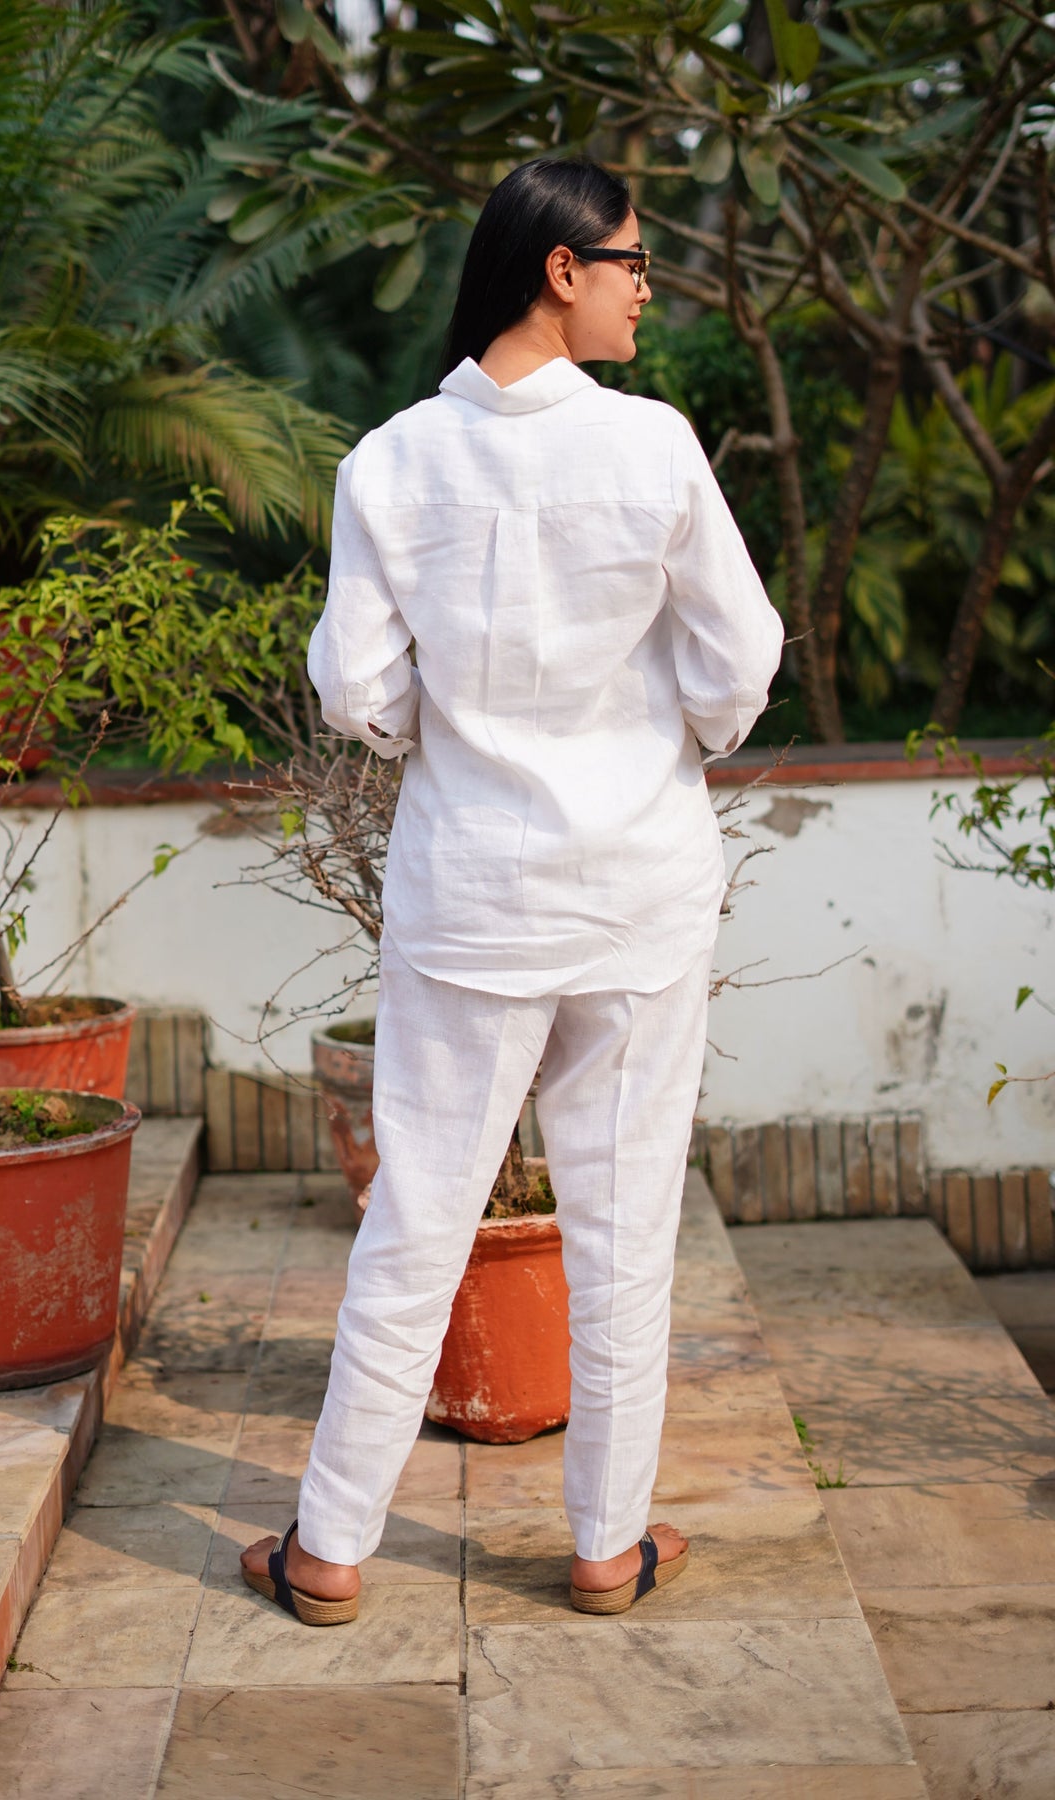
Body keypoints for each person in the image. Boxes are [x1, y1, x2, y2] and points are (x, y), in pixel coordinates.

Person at [241, 157, 784, 1626]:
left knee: (418, 1220)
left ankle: (333, 1552)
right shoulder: (657, 448)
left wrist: (454, 733)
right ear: (560, 270)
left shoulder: (392, 460)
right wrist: (664, 733)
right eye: (630, 261)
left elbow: (354, 684)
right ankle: (607, 1549)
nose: (643, 284)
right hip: (637, 897)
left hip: (470, 896)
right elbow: (741, 661)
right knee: (623, 1232)